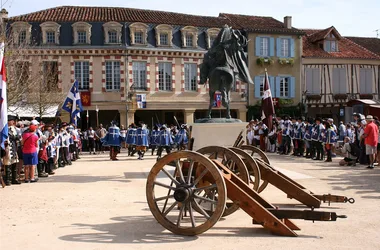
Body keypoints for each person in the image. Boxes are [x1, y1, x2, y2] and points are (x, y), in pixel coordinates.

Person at [3, 115, 21, 185]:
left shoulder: (14, 129)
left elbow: (17, 137)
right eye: (12, 121)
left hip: (14, 147)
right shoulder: (4, 129)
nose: (13, 122)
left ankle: (14, 179)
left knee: (14, 163)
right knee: (8, 164)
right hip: (7, 148)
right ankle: (8, 180)